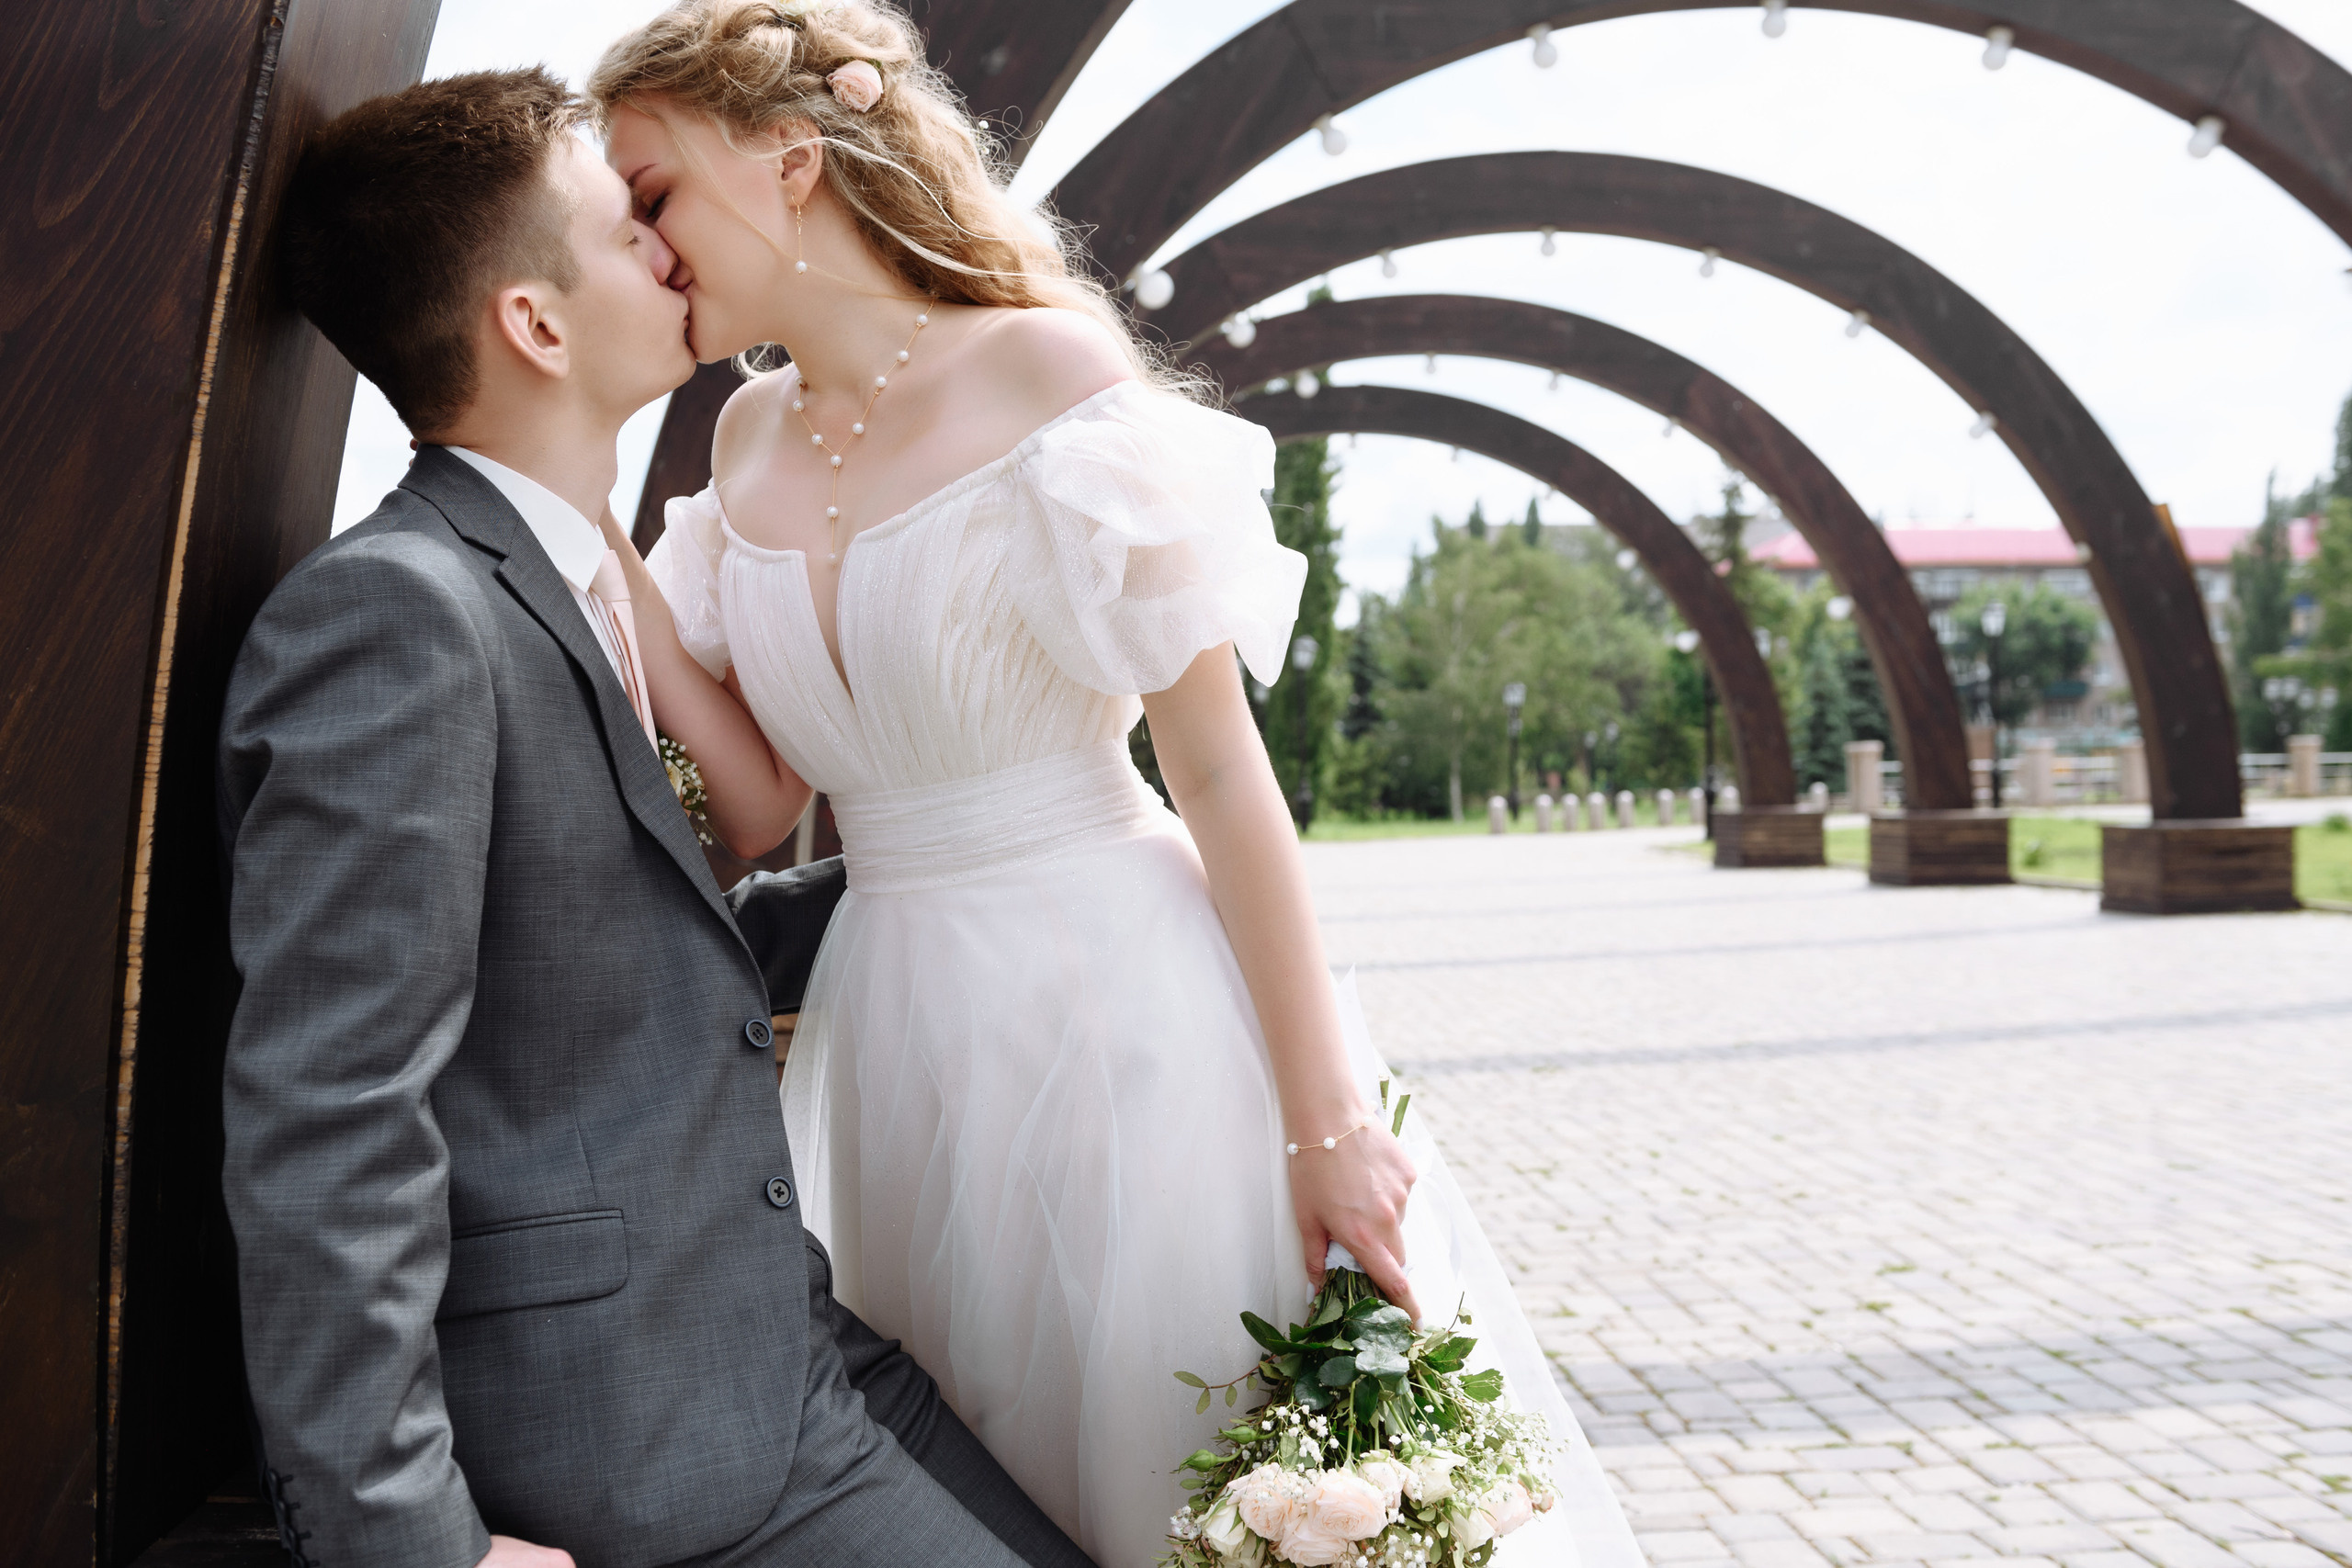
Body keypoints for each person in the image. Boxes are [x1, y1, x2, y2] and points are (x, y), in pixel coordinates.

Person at [585, 5, 1644, 1564]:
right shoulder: (739, 439)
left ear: (789, 161)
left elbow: (1216, 768)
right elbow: (754, 806)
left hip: (1125, 1014)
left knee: (1182, 1465)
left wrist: (1329, 1122)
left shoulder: (1047, 375)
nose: (639, 241)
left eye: (652, 190)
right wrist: (598, 529)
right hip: (895, 1043)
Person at [220, 67, 1095, 1568]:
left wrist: (961, 868)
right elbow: (330, 1111)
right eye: (629, 229)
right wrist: (408, 1544)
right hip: (632, 1433)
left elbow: (588, 947)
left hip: (774, 1342)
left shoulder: (563, 585)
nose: (674, 248)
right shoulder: (399, 616)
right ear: (536, 324)